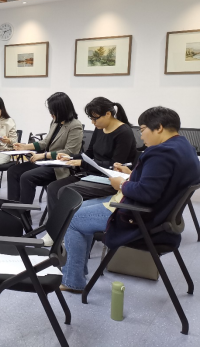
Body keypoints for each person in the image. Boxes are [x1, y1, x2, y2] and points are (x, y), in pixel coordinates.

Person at [60, 107, 200, 293]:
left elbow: (146, 193)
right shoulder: (185, 148)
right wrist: (132, 174)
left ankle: (73, 281)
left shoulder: (160, 153)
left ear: (159, 127)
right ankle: (76, 272)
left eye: (142, 130)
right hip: (160, 215)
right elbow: (159, 183)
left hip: (140, 218)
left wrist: (121, 184)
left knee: (72, 218)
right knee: (78, 207)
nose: (141, 136)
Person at [43, 97, 138, 246]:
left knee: (66, 191)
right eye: (91, 119)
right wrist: (71, 157)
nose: (93, 123)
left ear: (108, 114)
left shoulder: (124, 132)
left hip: (110, 179)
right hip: (92, 174)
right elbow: (89, 154)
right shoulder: (100, 128)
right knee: (53, 187)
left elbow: (115, 165)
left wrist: (83, 163)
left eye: (95, 118)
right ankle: (55, 231)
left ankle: (62, 233)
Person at [7, 92, 83, 209]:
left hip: (59, 166)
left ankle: (24, 214)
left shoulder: (75, 125)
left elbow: (69, 152)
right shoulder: (55, 122)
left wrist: (43, 155)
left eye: (53, 111)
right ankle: (13, 210)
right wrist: (25, 147)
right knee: (13, 171)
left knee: (26, 177)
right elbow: (45, 142)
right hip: (46, 162)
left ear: (62, 109)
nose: (51, 114)